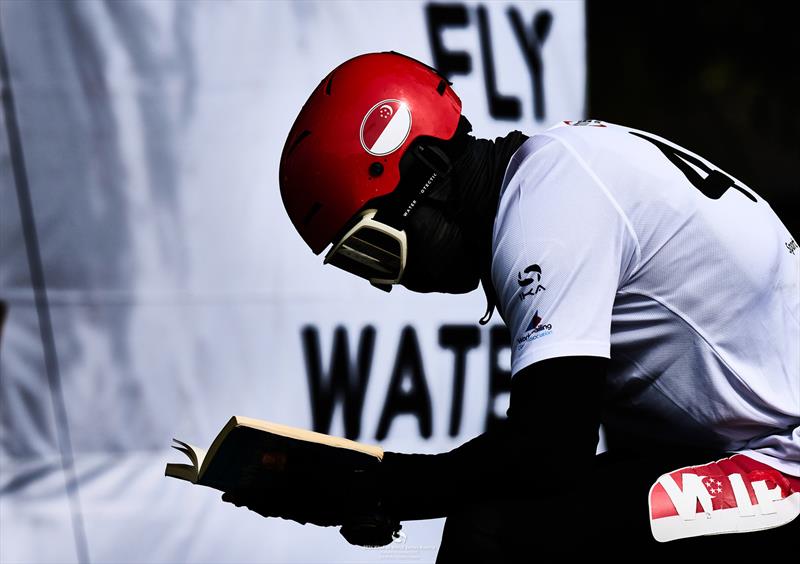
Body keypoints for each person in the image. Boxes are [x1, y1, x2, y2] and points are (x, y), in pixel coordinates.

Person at [222, 52, 799, 561]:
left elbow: (549, 450)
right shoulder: (550, 173)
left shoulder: (545, 206)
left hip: (781, 459)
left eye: (375, 250)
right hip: (741, 446)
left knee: (495, 532)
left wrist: (370, 486)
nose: (390, 284)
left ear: (428, 174)